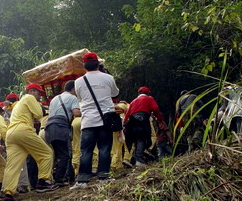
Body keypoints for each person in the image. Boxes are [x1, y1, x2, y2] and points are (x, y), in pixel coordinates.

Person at [2, 83, 57, 201]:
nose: (39, 97)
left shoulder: (18, 104)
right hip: (23, 130)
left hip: (11, 133)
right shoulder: (29, 97)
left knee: (13, 165)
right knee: (46, 153)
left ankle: (8, 195)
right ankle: (43, 182)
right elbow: (39, 114)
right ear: (32, 91)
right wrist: (42, 107)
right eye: (38, 93)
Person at [71, 52, 119, 190]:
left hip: (88, 121)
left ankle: (82, 180)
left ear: (84, 66)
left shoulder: (79, 81)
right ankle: (103, 177)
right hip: (105, 120)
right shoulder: (108, 78)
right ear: (98, 64)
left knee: (86, 150)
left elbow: (80, 97)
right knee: (104, 148)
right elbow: (115, 93)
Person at [45, 80, 81, 185]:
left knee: (58, 154)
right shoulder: (73, 98)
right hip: (61, 127)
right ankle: (60, 179)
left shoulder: (55, 99)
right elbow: (76, 113)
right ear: (73, 89)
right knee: (66, 154)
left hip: (49, 128)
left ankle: (69, 177)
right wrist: (88, 111)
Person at [123, 87, 164, 167]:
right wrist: (160, 119)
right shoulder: (149, 98)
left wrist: (125, 123)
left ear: (138, 93)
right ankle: (139, 160)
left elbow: (128, 113)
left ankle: (136, 158)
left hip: (132, 122)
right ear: (148, 93)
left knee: (135, 140)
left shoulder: (133, 101)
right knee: (142, 139)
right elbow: (155, 108)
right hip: (142, 120)